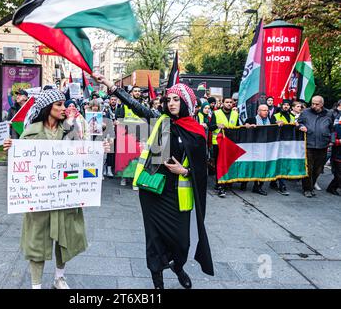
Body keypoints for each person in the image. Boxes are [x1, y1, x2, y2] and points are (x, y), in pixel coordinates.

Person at [94, 73, 214, 289]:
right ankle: (157, 283)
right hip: (153, 191)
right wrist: (110, 85)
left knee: (182, 242)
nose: (171, 103)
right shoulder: (161, 120)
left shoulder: (197, 131)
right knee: (154, 240)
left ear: (187, 102)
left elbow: (203, 167)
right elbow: (135, 105)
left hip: (178, 195)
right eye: (169, 99)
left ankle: (178, 267)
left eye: (176, 99)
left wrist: (184, 170)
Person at [3, 88, 110, 289]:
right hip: (40, 199)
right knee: (37, 241)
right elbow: (22, 165)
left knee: (65, 239)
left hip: (65, 196)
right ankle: (36, 284)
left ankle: (59, 278)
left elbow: (83, 157)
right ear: (47, 108)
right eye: (59, 105)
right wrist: (11, 148)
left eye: (64, 104)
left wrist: (98, 151)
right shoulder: (31, 132)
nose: (64, 108)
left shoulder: (71, 131)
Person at [297, 95, 334, 198]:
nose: (314, 106)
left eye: (316, 104)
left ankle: (311, 186)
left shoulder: (329, 114)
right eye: (312, 103)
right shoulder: (305, 112)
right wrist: (301, 126)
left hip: (323, 145)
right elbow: (298, 123)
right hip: (309, 144)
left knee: (318, 169)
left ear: (322, 104)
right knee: (308, 167)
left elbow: (332, 129)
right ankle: (307, 189)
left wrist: (332, 141)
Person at [244, 104, 281, 195]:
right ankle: (244, 182)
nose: (266, 112)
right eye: (263, 110)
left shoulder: (271, 120)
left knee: (262, 167)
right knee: (251, 166)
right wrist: (247, 125)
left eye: (267, 110)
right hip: (253, 148)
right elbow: (245, 125)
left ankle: (258, 187)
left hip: (266, 148)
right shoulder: (252, 119)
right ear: (258, 111)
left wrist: (279, 122)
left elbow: (277, 125)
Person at [115, 85, 146, 190]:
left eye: (139, 91)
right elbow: (118, 117)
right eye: (135, 91)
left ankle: (135, 179)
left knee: (137, 158)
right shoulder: (124, 105)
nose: (137, 92)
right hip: (126, 134)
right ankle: (124, 177)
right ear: (131, 93)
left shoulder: (144, 105)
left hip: (139, 134)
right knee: (125, 157)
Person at [208, 96, 239, 197]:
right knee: (220, 164)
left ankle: (226, 182)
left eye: (231, 102)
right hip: (218, 143)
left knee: (229, 164)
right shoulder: (216, 113)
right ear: (223, 103)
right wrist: (217, 125)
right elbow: (210, 127)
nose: (229, 104)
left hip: (230, 143)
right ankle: (220, 185)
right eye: (227, 102)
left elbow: (238, 128)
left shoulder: (235, 114)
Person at [327, 99, 341, 195]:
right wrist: (339, 141)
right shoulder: (337, 127)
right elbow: (332, 139)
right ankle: (332, 187)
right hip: (338, 154)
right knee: (339, 174)